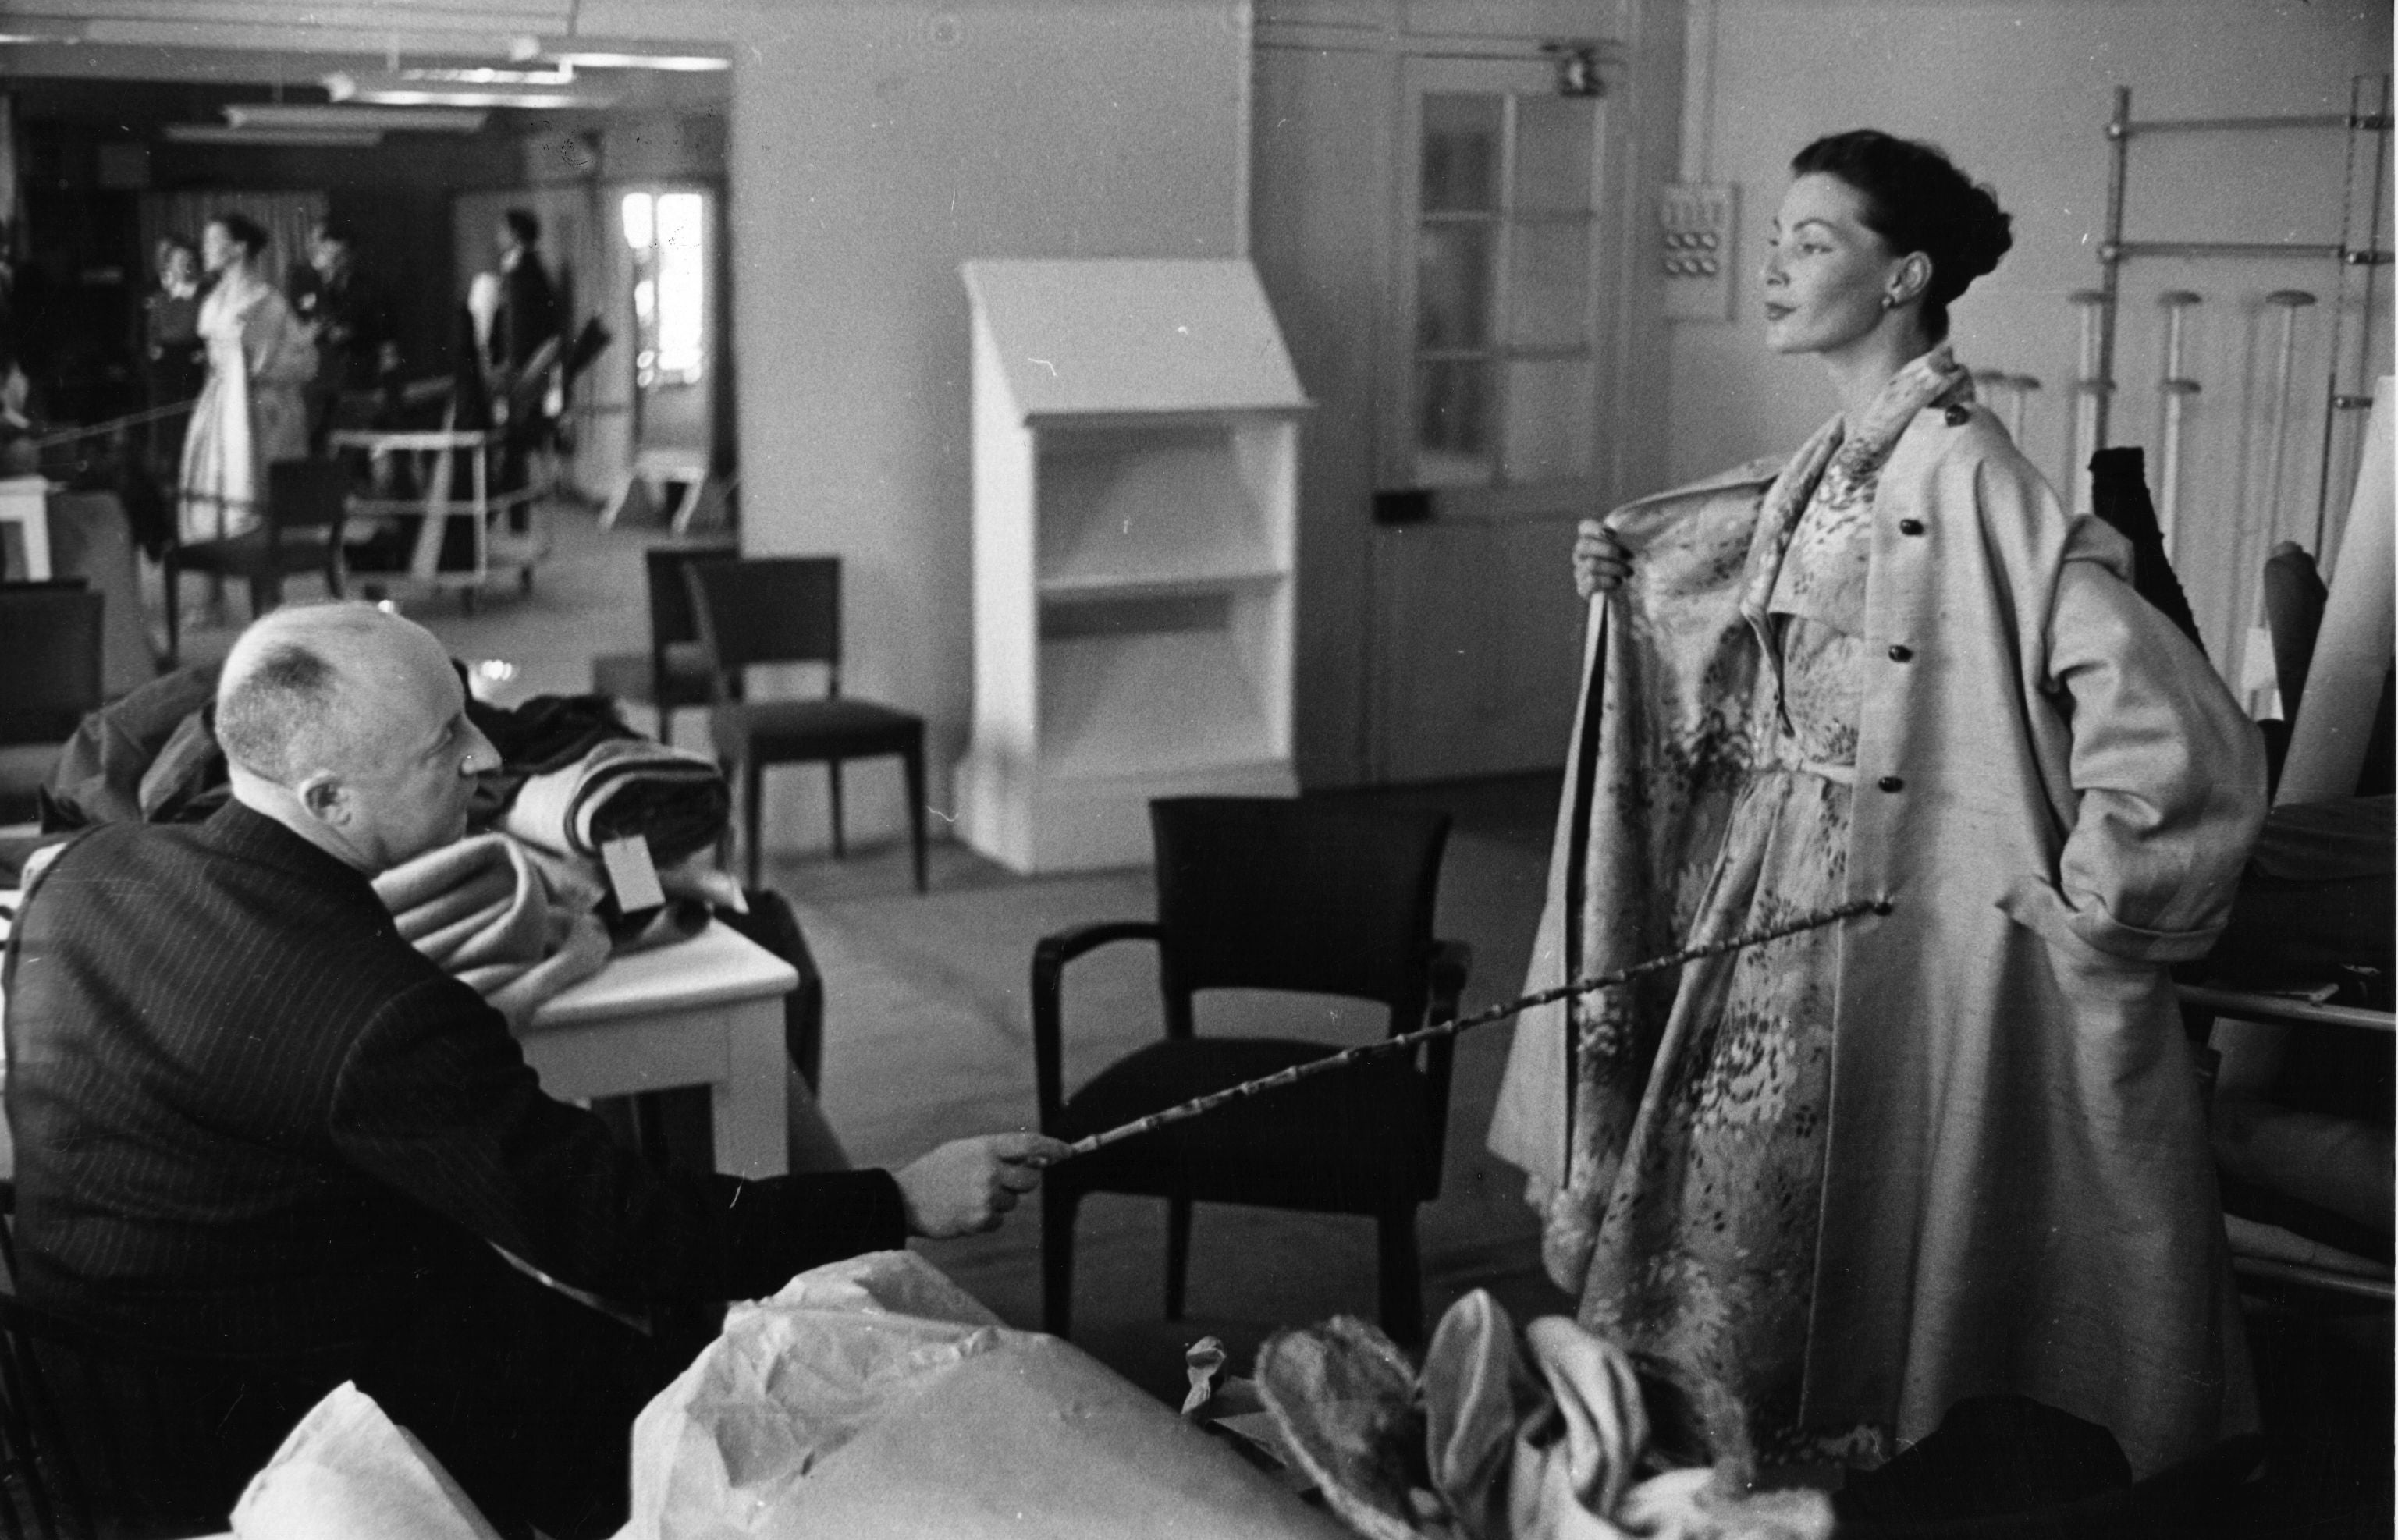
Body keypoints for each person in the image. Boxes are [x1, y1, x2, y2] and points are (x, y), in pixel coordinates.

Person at [1488, 130, 2265, 1478]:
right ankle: (1733, 1472)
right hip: (1774, 891)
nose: (1773, 266)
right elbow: (1748, 616)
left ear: (1902, 272)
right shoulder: (1842, 454)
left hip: (1874, 899)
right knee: (1740, 1213)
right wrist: (1633, 566)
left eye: (1811, 240)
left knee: (1826, 1213)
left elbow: (2168, 716)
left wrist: (2099, 901)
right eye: (1776, 236)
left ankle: (1786, 1473)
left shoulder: (1964, 469)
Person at [3, 600, 1068, 1537]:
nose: (483, 758)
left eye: (465, 713)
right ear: (326, 798)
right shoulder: (381, 1014)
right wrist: (897, 1195)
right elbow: (615, 1227)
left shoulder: (85, 872)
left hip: (83, 1393)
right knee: (743, 1427)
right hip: (275, 1424)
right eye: (442, 745)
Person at [176, 212, 315, 546]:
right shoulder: (211, 303)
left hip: (263, 411)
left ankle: (265, 572)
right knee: (217, 492)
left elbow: (305, 360)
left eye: (214, 241)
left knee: (261, 491)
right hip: (221, 410)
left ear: (238, 248)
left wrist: (259, 373)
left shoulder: (267, 302)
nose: (205, 249)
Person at [287, 218, 399, 452]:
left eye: (340, 255)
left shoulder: (370, 288)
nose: (334, 261)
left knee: (356, 448)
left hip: (358, 381)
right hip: (317, 381)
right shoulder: (305, 281)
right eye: (328, 253)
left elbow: (386, 340)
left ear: (351, 255)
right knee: (315, 447)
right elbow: (297, 326)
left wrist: (389, 390)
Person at [142, 236, 208, 477]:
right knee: (169, 432)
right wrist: (155, 352)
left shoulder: (204, 298)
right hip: (167, 371)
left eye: (187, 260)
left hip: (193, 367)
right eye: (177, 261)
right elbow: (152, 334)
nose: (183, 266)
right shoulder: (160, 299)